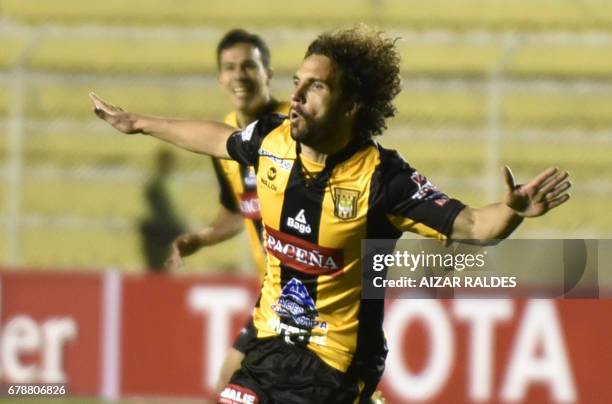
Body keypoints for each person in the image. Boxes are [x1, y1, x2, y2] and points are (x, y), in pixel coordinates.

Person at [90, 25, 571, 404]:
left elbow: (474, 226)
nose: (296, 95)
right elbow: (217, 138)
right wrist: (137, 124)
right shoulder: (272, 141)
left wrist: (512, 211)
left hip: (333, 367)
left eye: (315, 86)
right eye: (297, 82)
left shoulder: (383, 179)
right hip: (268, 341)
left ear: (351, 106)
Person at [163, 29, 290, 394]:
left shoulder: (293, 126)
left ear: (267, 72)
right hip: (274, 291)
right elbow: (238, 208)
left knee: (235, 383)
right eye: (230, 67)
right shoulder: (225, 137)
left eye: (249, 66)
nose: (239, 76)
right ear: (220, 78)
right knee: (232, 383)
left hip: (306, 287)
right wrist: (203, 237)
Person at [139, 148, 186, 271]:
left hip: (166, 228)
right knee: (158, 266)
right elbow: (164, 207)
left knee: (162, 266)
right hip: (161, 229)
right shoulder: (158, 183)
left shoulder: (162, 182)